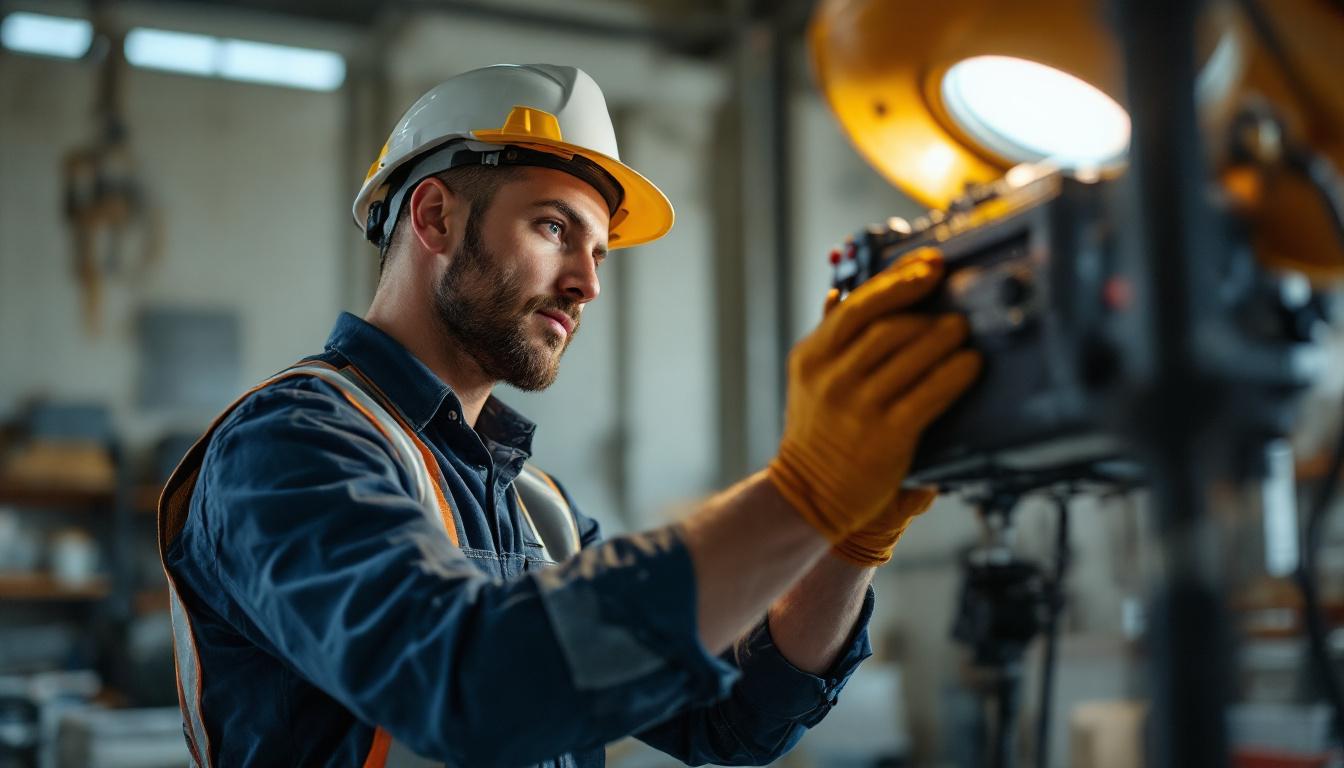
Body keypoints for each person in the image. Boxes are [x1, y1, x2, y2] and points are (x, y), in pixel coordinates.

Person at [156, 63, 980, 768]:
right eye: (555, 228)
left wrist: (851, 535)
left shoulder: (533, 506)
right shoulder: (290, 444)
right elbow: (466, 684)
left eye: (600, 253)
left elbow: (730, 718)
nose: (587, 283)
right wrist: (808, 490)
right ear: (435, 216)